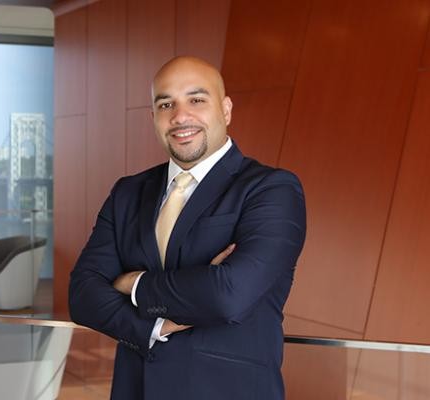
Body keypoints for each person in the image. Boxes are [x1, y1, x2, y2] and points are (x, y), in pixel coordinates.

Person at [68, 56, 307, 400]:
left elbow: (229, 295)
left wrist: (133, 284)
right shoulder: (128, 192)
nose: (180, 116)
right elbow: (82, 295)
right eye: (166, 104)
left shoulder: (271, 189)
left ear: (225, 110)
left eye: (196, 100)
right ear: (153, 117)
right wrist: (152, 326)